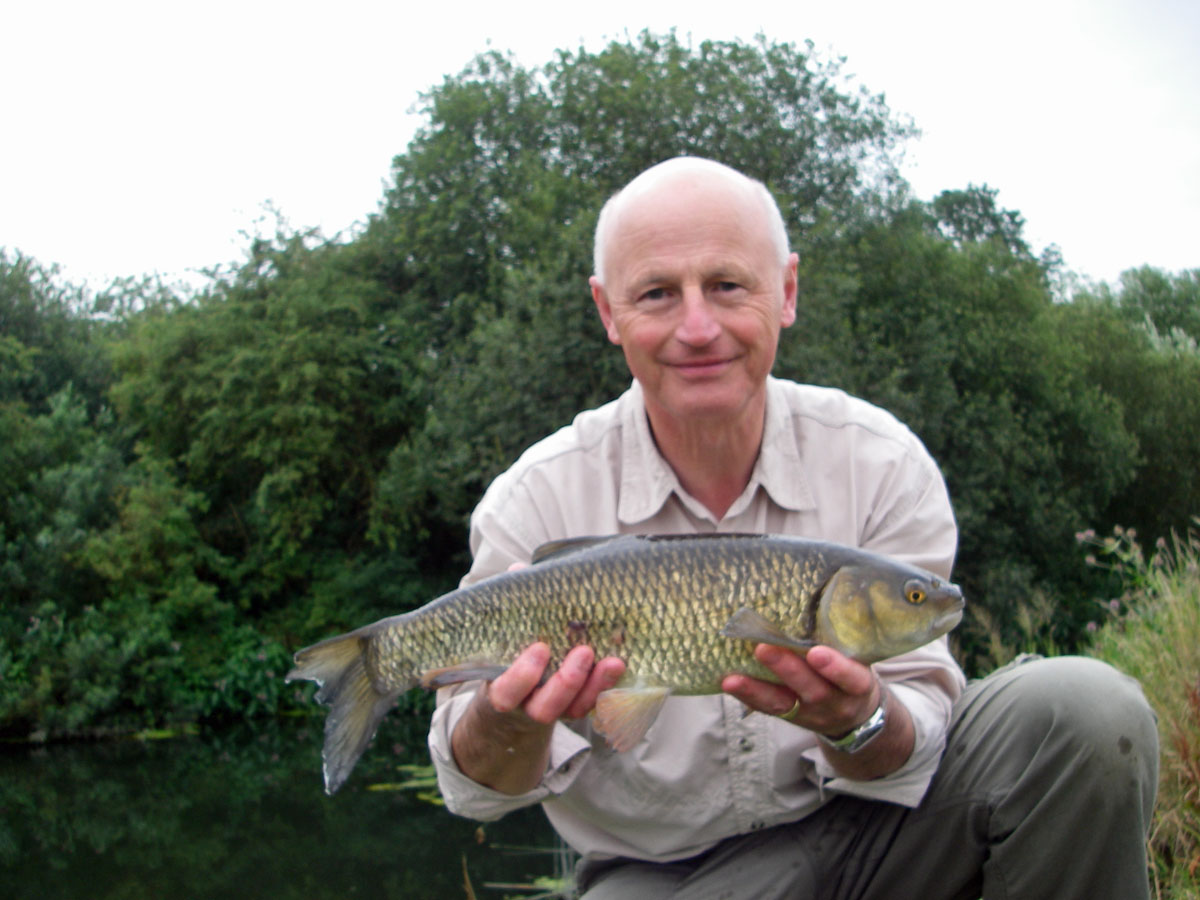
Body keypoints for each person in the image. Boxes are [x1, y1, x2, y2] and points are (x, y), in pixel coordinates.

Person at [427, 156, 1159, 898]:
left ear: (786, 291)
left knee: (1086, 713)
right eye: (656, 293)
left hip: (897, 830)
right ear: (608, 313)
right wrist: (508, 721)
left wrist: (860, 719)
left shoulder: (880, 462)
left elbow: (920, 733)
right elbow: (478, 790)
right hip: (667, 875)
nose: (698, 327)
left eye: (726, 285)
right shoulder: (536, 498)